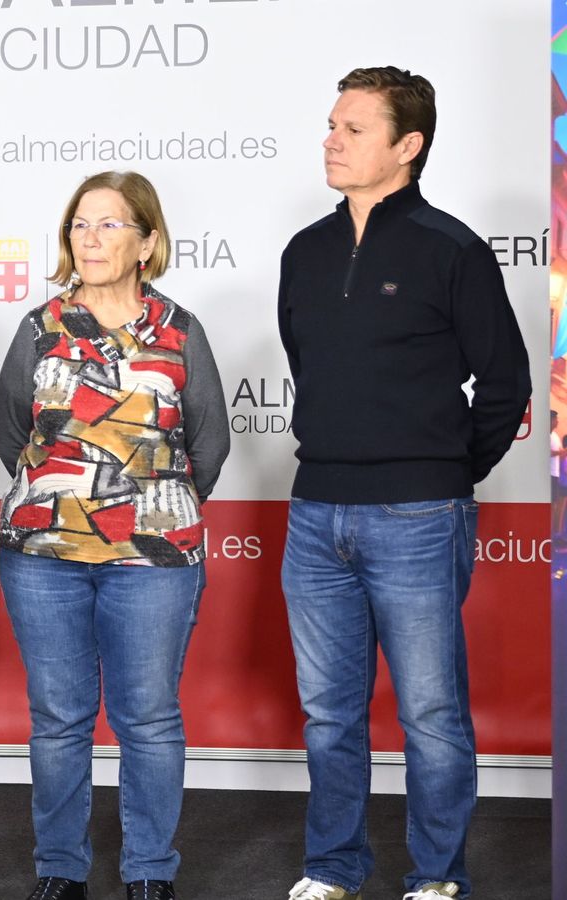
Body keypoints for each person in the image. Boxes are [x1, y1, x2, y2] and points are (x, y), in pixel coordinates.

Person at [277, 67, 529, 900]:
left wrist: (448, 473)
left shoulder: (450, 249)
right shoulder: (304, 252)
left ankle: (436, 876)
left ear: (406, 146)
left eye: (352, 129)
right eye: (331, 124)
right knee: (328, 714)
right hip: (315, 513)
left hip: (421, 513)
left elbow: (505, 384)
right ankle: (334, 867)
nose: (331, 139)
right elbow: (307, 366)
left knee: (430, 714)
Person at [0, 171, 228, 900]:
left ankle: (150, 872)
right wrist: (61, 501)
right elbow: (12, 430)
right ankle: (61, 869)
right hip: (44, 558)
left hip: (153, 560)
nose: (90, 239)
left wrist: (152, 506)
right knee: (59, 718)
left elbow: (207, 444)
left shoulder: (181, 332)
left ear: (147, 241)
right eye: (79, 225)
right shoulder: (40, 327)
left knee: (149, 718)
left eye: (109, 225)